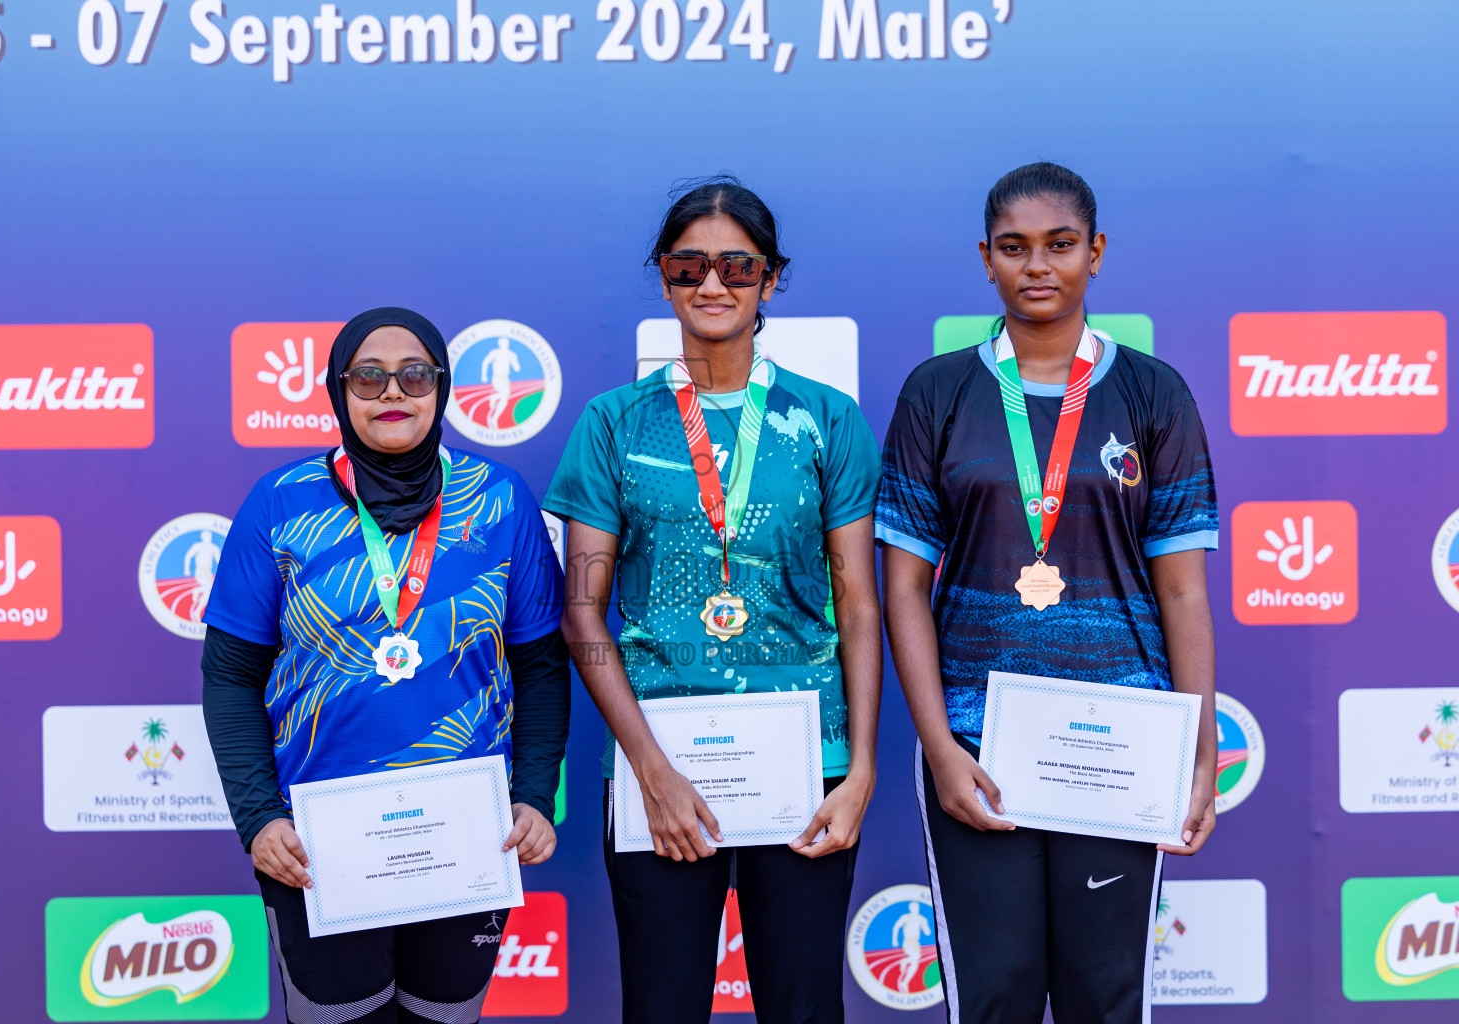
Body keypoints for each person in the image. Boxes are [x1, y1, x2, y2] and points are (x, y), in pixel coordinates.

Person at [876, 163, 1219, 1024]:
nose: (1038, 267)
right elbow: (904, 590)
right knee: (994, 997)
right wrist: (939, 746)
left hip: (1122, 739)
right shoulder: (938, 392)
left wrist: (1200, 747)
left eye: (1060, 246)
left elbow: (1181, 592)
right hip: (977, 742)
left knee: (1106, 999)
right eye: (1014, 248)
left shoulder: (1154, 392)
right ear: (984, 259)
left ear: (1095, 253)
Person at [544, 176, 883, 1023]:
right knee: (663, 1010)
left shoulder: (827, 419)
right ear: (663, 278)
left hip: (810, 768)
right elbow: (582, 612)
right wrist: (650, 774)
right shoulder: (615, 422)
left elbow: (860, 605)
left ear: (771, 280)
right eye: (689, 265)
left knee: (804, 1010)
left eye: (737, 266)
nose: (712, 285)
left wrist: (863, 768)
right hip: (664, 764)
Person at [201, 307, 569, 1024]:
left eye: (415, 375)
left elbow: (542, 666)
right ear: (339, 391)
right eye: (369, 376)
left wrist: (532, 796)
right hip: (318, 847)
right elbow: (230, 675)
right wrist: (258, 819)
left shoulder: (499, 500)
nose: (392, 392)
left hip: (467, 840)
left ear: (443, 388)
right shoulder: (280, 504)